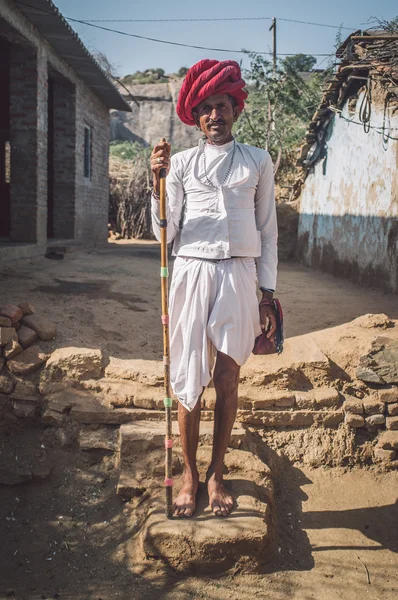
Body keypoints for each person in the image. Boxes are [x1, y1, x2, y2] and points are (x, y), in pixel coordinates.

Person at [150, 59, 278, 518]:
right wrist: (156, 183)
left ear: (235, 109)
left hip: (239, 275)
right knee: (187, 378)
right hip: (191, 272)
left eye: (221, 105)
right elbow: (164, 232)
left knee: (227, 376)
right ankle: (188, 474)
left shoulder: (258, 161)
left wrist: (268, 292)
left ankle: (216, 472)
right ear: (196, 116)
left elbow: (267, 231)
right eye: (205, 108)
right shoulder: (181, 165)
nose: (214, 116)